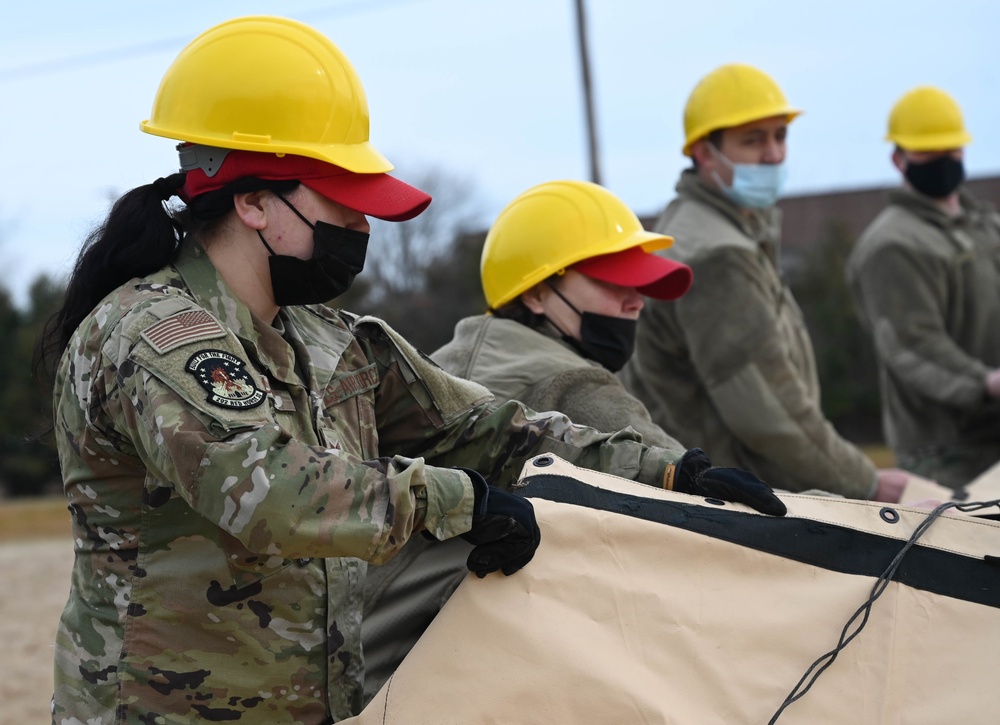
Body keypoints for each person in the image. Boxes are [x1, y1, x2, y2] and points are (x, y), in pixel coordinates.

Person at [35, 17, 786, 724]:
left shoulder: (335, 343)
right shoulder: (154, 334)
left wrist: (661, 469)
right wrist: (460, 502)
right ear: (257, 202)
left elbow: (488, 429)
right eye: (344, 202)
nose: (362, 226)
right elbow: (269, 490)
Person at [361, 179, 785, 702]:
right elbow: (719, 505)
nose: (636, 301)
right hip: (425, 680)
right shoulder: (570, 384)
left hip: (372, 653)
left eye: (640, 284)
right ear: (538, 293)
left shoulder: (452, 358)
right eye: (613, 281)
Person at [622, 62, 905, 502]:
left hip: (729, 492)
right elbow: (771, 413)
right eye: (753, 140)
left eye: (780, 135)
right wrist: (864, 483)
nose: (773, 154)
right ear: (702, 152)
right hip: (734, 502)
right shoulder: (716, 253)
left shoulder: (726, 230)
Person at [847, 86, 1000, 490]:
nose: (943, 160)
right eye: (928, 151)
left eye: (951, 149)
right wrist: (986, 382)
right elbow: (913, 345)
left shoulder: (984, 225)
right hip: (949, 459)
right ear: (898, 158)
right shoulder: (893, 245)